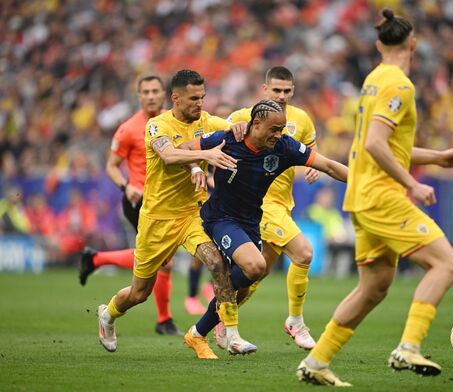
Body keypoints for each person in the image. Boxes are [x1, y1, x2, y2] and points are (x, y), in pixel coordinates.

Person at [296, 9, 453, 387]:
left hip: (361, 195)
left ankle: (317, 361)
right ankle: (408, 346)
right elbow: (374, 144)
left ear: (377, 45)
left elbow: (381, 142)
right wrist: (413, 184)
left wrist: (437, 157)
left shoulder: (373, 80)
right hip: (381, 196)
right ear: (414, 44)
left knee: (373, 287)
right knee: (446, 265)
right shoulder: (399, 85)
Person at [181, 99, 348, 359]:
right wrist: (195, 165)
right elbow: (187, 147)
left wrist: (362, 183)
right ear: (255, 124)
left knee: (246, 284)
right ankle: (228, 331)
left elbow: (327, 165)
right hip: (221, 218)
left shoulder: (284, 147)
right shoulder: (229, 139)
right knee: (256, 266)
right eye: (273, 129)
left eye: (281, 129)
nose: (278, 135)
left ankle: (197, 333)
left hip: (250, 221)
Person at [95, 69, 246, 356]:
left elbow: (232, 122)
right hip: (156, 219)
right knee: (139, 293)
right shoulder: (156, 125)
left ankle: (231, 332)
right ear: (175, 98)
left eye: (202, 97)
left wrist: (239, 125)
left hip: (191, 214)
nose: (199, 104)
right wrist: (205, 155)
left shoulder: (206, 121)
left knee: (217, 263)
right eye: (193, 98)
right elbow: (168, 155)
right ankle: (109, 314)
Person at [221, 66, 320, 350]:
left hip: (283, 204)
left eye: (287, 91)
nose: (282, 96)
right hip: (259, 205)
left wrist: (315, 169)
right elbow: (216, 134)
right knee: (303, 253)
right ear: (265, 90)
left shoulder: (301, 119)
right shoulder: (243, 116)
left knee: (255, 275)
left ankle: (219, 320)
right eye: (276, 90)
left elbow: (312, 148)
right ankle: (296, 322)